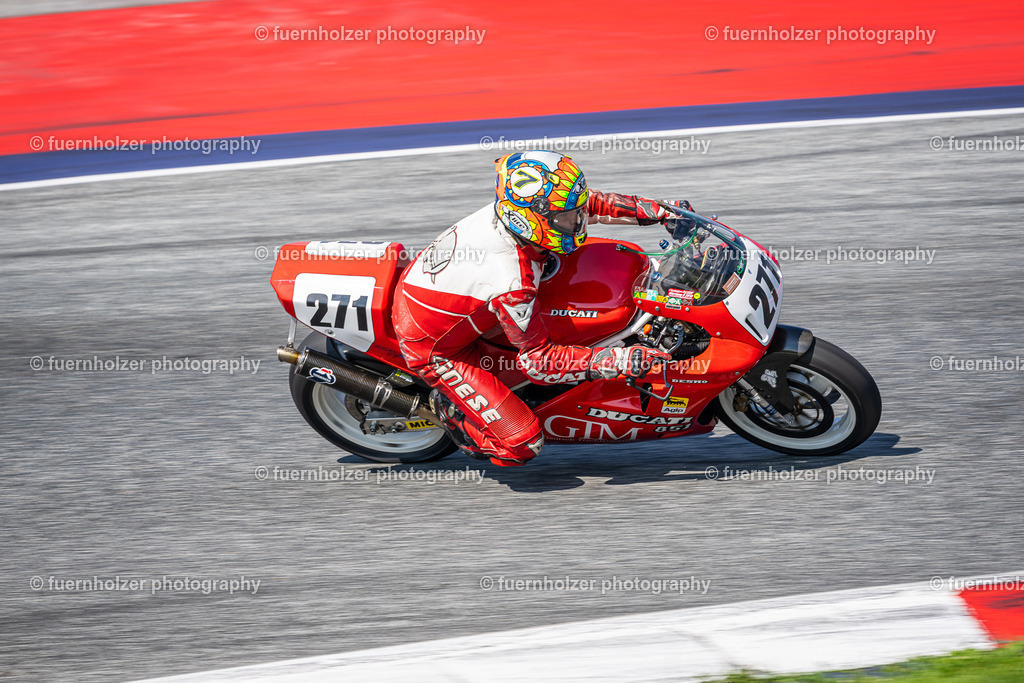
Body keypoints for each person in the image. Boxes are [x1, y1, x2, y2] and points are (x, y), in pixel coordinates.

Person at [392, 150, 687, 466]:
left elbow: (589, 203)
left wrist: (659, 211)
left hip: (447, 295)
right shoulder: (512, 281)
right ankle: (452, 411)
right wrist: (617, 359)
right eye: (566, 218)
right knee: (523, 445)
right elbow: (539, 363)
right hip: (436, 347)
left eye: (574, 212)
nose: (577, 220)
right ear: (532, 220)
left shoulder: (520, 213)